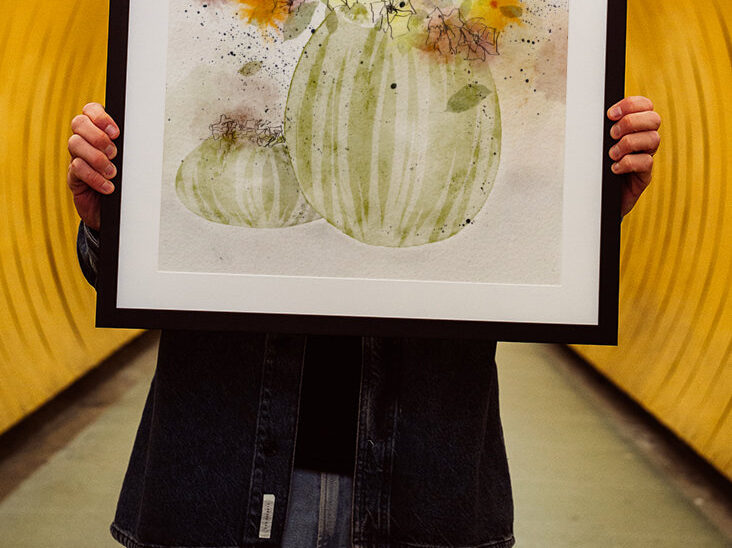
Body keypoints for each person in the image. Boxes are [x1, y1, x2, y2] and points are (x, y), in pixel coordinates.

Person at [68, 95, 661, 548]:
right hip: (220, 482)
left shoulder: (458, 98)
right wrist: (110, 226)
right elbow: (142, 267)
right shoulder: (245, 86)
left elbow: (515, 249)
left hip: (422, 490)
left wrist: (586, 218)